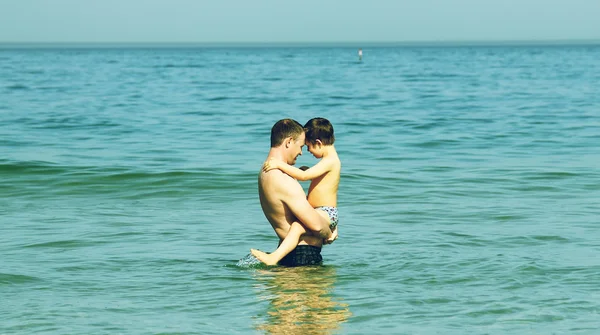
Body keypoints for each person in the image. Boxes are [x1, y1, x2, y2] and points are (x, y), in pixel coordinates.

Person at [252, 118, 340, 266]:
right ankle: (273, 258)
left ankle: (274, 257)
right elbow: (317, 226)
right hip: (303, 256)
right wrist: (329, 233)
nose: (301, 152)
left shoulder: (266, 172)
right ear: (288, 142)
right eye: (300, 146)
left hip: (293, 253)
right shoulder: (281, 177)